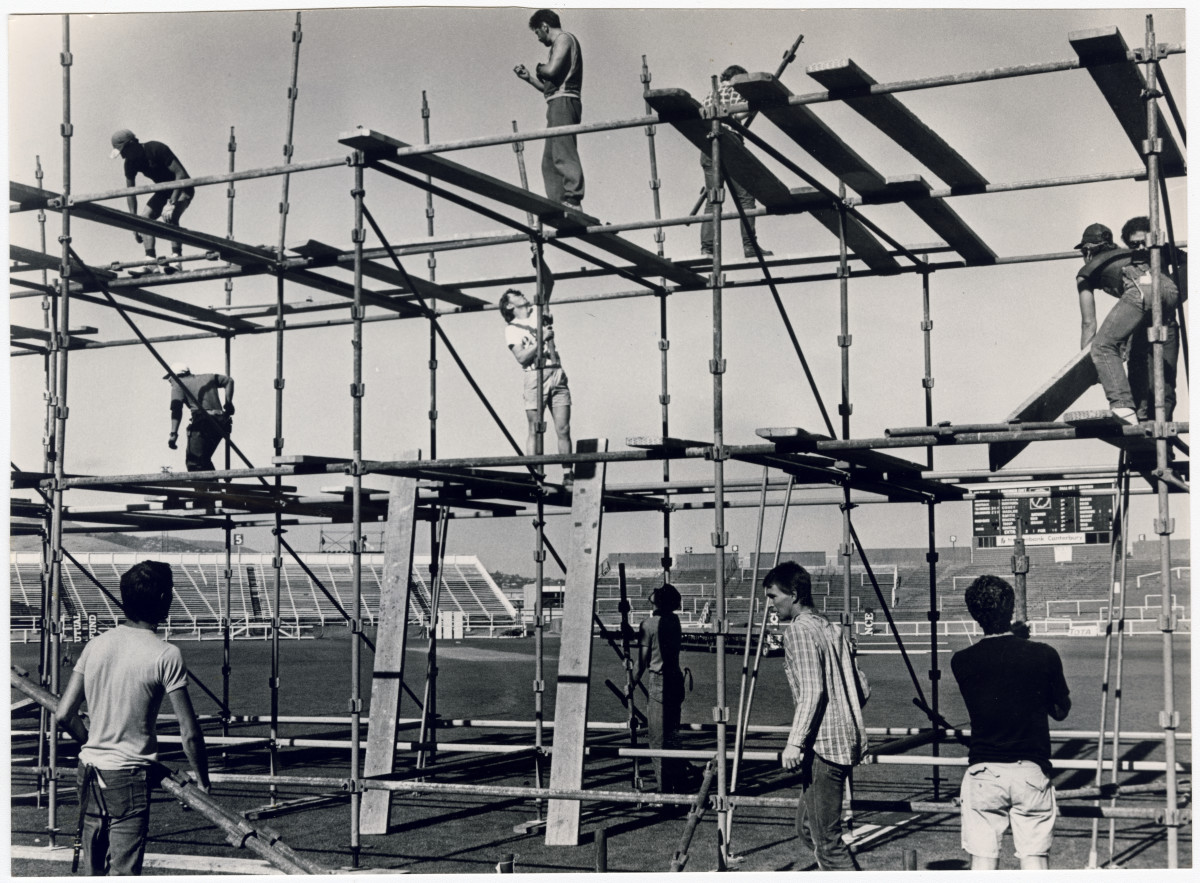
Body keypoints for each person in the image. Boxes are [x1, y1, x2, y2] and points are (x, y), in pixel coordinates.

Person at [56, 560, 210, 876]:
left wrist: (93, 741)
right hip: (128, 777)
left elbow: (63, 715)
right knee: (123, 873)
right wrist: (204, 782)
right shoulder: (166, 654)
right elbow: (189, 732)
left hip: (88, 772)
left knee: (93, 871)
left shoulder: (95, 645)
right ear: (165, 599)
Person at [951, 575, 1071, 871]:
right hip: (1031, 771)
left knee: (982, 860)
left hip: (983, 772)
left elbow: (998, 665)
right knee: (1034, 858)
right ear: (1011, 608)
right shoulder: (1044, 655)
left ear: (974, 613)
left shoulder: (961, 660)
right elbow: (1060, 710)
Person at [764, 561, 869, 871]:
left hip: (823, 748)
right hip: (842, 743)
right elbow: (863, 688)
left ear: (793, 594)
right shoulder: (830, 627)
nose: (771, 603)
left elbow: (812, 692)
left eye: (773, 596)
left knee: (828, 843)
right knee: (811, 829)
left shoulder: (798, 631)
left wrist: (794, 743)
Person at [1075, 218, 1180, 424]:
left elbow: (1089, 324)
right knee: (1152, 370)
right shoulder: (1131, 254)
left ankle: (1122, 406)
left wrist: (1092, 366)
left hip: (1140, 292)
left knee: (1103, 347)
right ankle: (1157, 431)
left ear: (1087, 250)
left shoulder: (1085, 273)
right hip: (1168, 290)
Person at [499, 259, 572, 485]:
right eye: (516, 295)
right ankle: (536, 475)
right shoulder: (511, 330)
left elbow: (548, 281)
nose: (523, 295)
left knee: (563, 427)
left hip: (556, 372)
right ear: (509, 306)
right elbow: (521, 357)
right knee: (535, 427)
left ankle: (568, 474)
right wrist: (540, 340)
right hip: (534, 375)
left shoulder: (538, 312)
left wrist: (538, 259)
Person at [512, 10, 585, 210]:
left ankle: (573, 199)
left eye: (537, 33)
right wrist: (529, 78)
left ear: (544, 27)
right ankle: (560, 203)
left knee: (563, 152)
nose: (538, 38)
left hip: (564, 102)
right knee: (550, 160)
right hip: (556, 102)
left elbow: (550, 71)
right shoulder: (559, 44)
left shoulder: (563, 39)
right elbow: (547, 87)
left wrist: (539, 68)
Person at [700, 65, 773, 260]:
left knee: (713, 199)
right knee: (746, 198)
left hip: (708, 148)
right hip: (730, 145)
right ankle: (750, 246)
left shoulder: (710, 95)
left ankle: (707, 249)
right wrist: (754, 103)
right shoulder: (733, 91)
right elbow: (739, 113)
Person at [111, 130, 194, 277]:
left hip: (181, 187)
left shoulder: (156, 148)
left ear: (132, 144)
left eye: (123, 151)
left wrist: (172, 203)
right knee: (144, 220)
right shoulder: (130, 163)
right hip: (163, 190)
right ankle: (150, 262)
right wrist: (133, 221)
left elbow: (180, 174)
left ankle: (177, 260)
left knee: (170, 216)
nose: (123, 156)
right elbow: (130, 192)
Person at [635, 584, 687, 794]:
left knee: (657, 740)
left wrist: (630, 683)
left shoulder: (648, 625)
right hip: (676, 680)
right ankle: (679, 785)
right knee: (673, 736)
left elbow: (642, 661)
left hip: (660, 681)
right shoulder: (674, 621)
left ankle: (664, 790)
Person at [165, 363, 235, 472]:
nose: (169, 381)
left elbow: (176, 410)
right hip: (222, 422)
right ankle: (213, 487)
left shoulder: (178, 383)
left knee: (194, 461)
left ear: (175, 375)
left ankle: (206, 488)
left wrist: (173, 434)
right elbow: (229, 381)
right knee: (203, 459)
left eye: (169, 378)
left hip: (203, 422)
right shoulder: (207, 377)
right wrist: (229, 404)